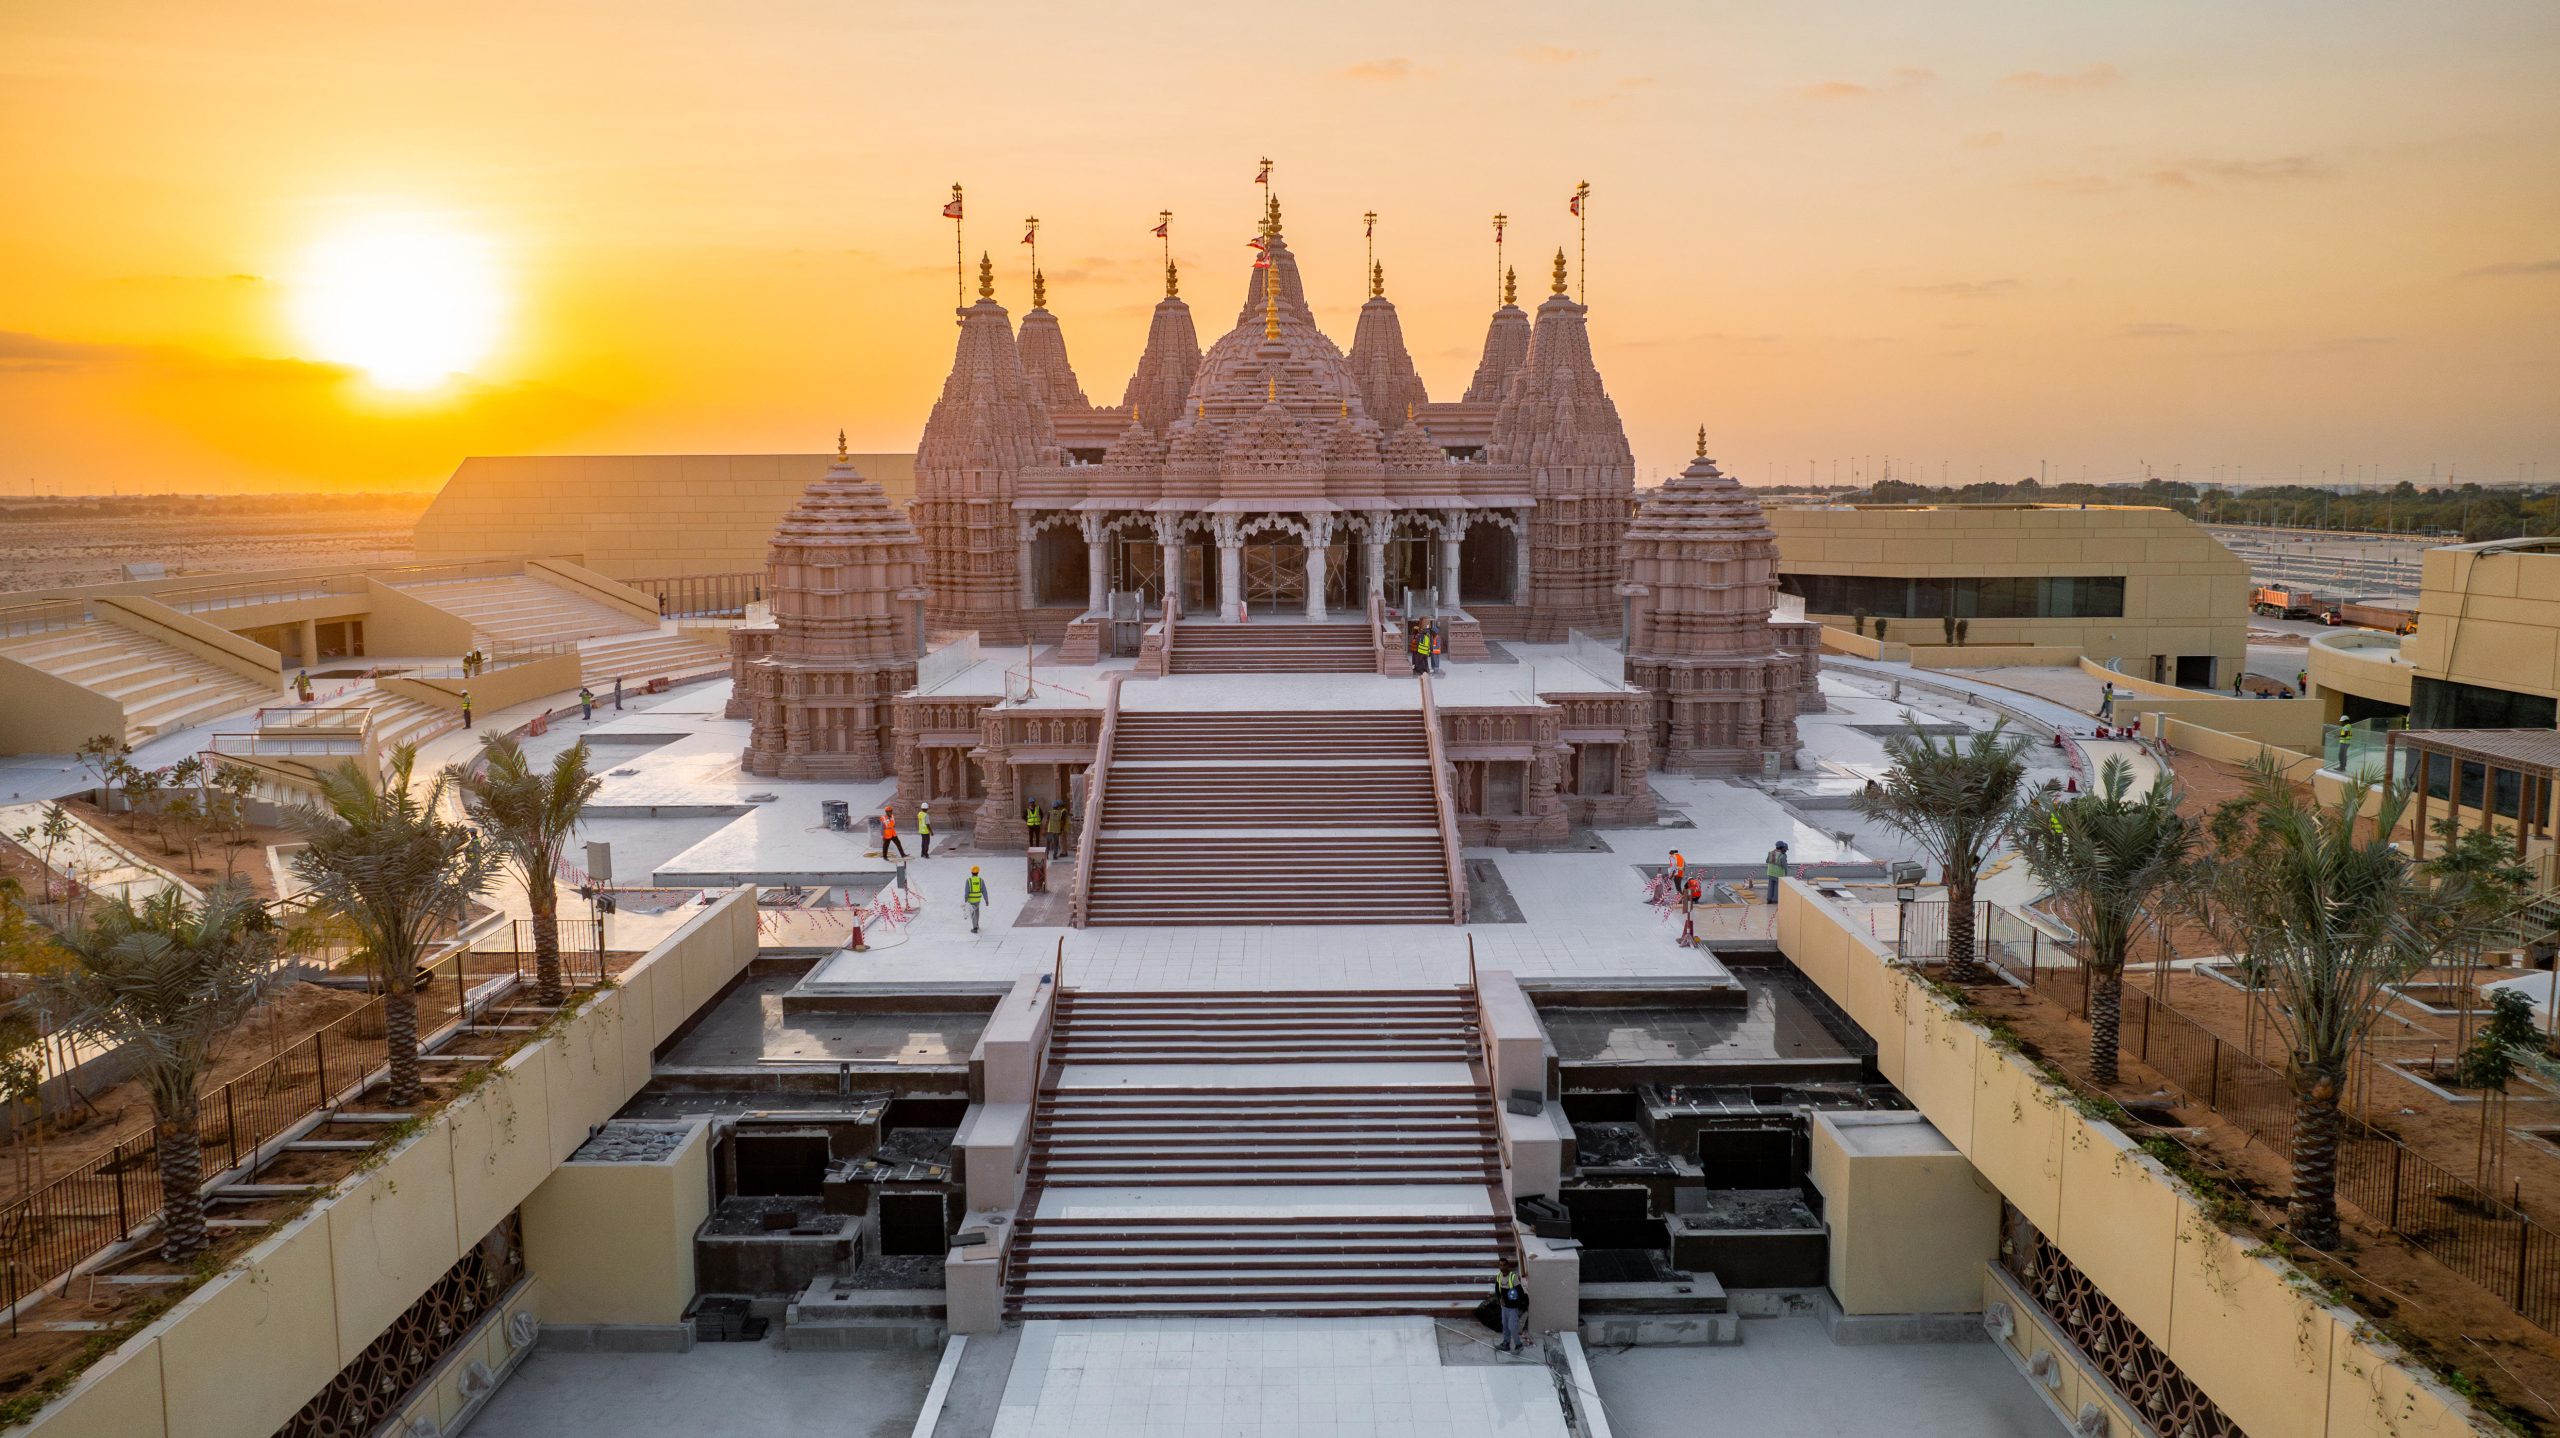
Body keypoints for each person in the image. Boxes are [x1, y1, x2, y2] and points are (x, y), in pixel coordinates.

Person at [1493, 1266, 1529, 1353]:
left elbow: (1520, 1293)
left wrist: (1519, 1305)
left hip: (1512, 1308)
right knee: (1505, 1326)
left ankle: (1519, 1345)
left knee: (1512, 1327)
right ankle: (1506, 1343)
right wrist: (1500, 1299)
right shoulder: (1499, 1277)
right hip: (1504, 1307)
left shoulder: (1513, 1277)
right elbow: (1497, 1290)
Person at [1764, 840, 1789, 904]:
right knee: (1777, 887)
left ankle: (1769, 899)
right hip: (1778, 874)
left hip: (1770, 872)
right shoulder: (1782, 856)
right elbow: (1784, 866)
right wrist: (1786, 873)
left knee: (1770, 886)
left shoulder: (1770, 853)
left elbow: (1767, 861)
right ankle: (1775, 900)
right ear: (1782, 847)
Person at [964, 865, 988, 934]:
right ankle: (977, 924)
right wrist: (986, 900)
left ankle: (974, 928)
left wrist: (965, 901)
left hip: (971, 900)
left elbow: (966, 892)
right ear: (978, 872)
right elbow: (984, 891)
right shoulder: (981, 880)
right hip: (978, 900)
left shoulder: (969, 880)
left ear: (971, 872)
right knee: (977, 912)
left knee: (973, 913)